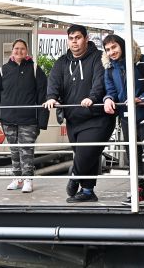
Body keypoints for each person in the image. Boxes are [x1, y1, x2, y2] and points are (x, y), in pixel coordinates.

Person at [43, 24, 115, 203]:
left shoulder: (99, 57)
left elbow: (100, 81)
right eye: (71, 38)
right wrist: (52, 97)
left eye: (78, 37)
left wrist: (92, 97)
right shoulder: (62, 61)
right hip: (73, 119)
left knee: (86, 153)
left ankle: (75, 175)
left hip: (97, 117)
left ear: (86, 38)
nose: (74, 42)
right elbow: (54, 82)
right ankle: (88, 191)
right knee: (88, 156)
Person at [0, 39, 49, 193]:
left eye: (22, 49)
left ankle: (28, 179)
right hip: (8, 119)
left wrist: (42, 120)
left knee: (26, 149)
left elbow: (43, 94)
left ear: (26, 51)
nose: (19, 51)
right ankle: (17, 178)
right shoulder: (3, 70)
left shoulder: (35, 69)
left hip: (29, 119)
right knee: (14, 150)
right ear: (12, 51)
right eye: (16, 48)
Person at [102, 34, 144, 204]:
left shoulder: (143, 60)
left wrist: (142, 98)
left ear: (122, 46)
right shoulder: (109, 68)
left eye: (114, 47)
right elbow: (110, 90)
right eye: (108, 49)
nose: (111, 52)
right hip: (126, 116)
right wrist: (108, 99)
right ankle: (139, 191)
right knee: (133, 155)